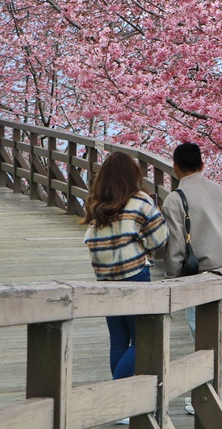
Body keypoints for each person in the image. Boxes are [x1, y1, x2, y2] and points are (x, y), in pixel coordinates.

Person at [161, 142, 222, 414]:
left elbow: (175, 247)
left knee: (203, 336)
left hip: (201, 276)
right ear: (202, 165)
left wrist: (172, 278)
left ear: (175, 167)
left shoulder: (175, 198)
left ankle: (211, 394)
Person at [82, 151, 169, 383]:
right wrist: (144, 243)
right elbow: (159, 238)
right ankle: (117, 395)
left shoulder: (96, 202)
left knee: (119, 340)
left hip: (105, 277)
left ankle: (121, 401)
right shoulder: (140, 200)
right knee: (143, 339)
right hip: (134, 274)